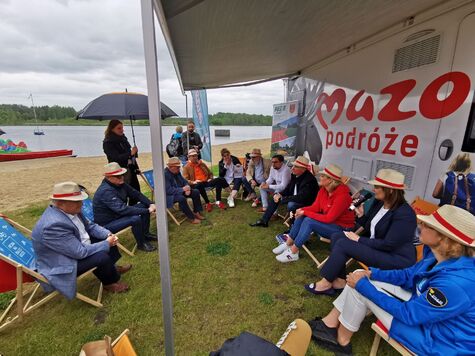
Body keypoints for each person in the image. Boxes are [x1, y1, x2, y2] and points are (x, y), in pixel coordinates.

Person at [310, 204, 475, 355]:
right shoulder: (438, 256)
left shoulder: (456, 283)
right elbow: (408, 276)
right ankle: (330, 323)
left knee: (362, 289)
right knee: (361, 274)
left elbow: (409, 314)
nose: (420, 226)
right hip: (429, 317)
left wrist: (364, 286)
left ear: (443, 238)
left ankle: (341, 341)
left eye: (427, 225)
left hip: (440, 342)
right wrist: (372, 274)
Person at [305, 169, 417, 296]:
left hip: (394, 258)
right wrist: (361, 215)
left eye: (377, 187)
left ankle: (326, 282)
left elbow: (388, 245)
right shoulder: (380, 202)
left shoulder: (405, 214)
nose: (373, 190)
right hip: (378, 247)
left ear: (390, 190)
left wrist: (358, 239)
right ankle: (340, 281)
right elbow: (369, 226)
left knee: (343, 244)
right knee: (337, 236)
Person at [32, 182, 131, 299]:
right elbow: (79, 252)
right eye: (76, 201)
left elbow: (90, 226)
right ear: (60, 203)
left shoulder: (71, 210)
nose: (81, 204)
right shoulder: (53, 225)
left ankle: (111, 269)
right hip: (61, 263)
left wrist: (108, 234)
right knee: (101, 255)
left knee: (106, 238)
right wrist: (106, 243)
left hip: (73, 248)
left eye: (79, 200)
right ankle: (110, 283)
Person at [273, 164, 355, 263]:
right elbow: (316, 207)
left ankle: (294, 252)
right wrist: (301, 210)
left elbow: (329, 218)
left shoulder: (342, 196)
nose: (319, 177)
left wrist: (305, 212)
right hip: (331, 223)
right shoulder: (324, 190)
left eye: (322, 176)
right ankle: (288, 243)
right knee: (303, 215)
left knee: (308, 221)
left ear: (330, 180)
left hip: (343, 229)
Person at [93, 162, 157, 252]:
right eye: (118, 176)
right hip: (108, 223)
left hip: (118, 215)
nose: (122, 177)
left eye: (122, 175)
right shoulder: (105, 191)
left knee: (144, 205)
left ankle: (146, 234)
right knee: (135, 219)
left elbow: (136, 194)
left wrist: (150, 204)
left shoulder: (119, 183)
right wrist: (147, 211)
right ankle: (141, 244)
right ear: (108, 177)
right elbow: (123, 209)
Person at [250, 156, 318, 227]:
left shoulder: (309, 180)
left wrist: (283, 198)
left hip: (306, 203)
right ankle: (264, 220)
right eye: (293, 166)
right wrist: (280, 194)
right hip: (296, 197)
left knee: (291, 204)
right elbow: (288, 188)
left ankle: (293, 225)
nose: (292, 168)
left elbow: (301, 197)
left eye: (296, 167)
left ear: (303, 169)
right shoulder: (295, 175)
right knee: (276, 197)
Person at [103, 119, 141, 205]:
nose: (122, 130)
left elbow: (131, 156)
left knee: (135, 192)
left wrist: (136, 166)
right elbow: (115, 158)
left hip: (130, 169)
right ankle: (125, 212)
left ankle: (133, 211)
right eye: (119, 128)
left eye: (122, 128)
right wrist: (130, 153)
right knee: (122, 194)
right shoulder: (108, 142)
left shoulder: (123, 139)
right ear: (112, 129)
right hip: (118, 172)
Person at [165, 157, 204, 224]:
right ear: (171, 167)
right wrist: (182, 189)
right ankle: (191, 218)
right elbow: (168, 190)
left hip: (180, 190)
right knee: (181, 198)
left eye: (178, 167)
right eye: (177, 167)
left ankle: (196, 212)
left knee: (195, 192)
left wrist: (187, 187)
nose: (179, 168)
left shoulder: (176, 171)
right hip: (169, 195)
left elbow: (184, 181)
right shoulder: (165, 175)